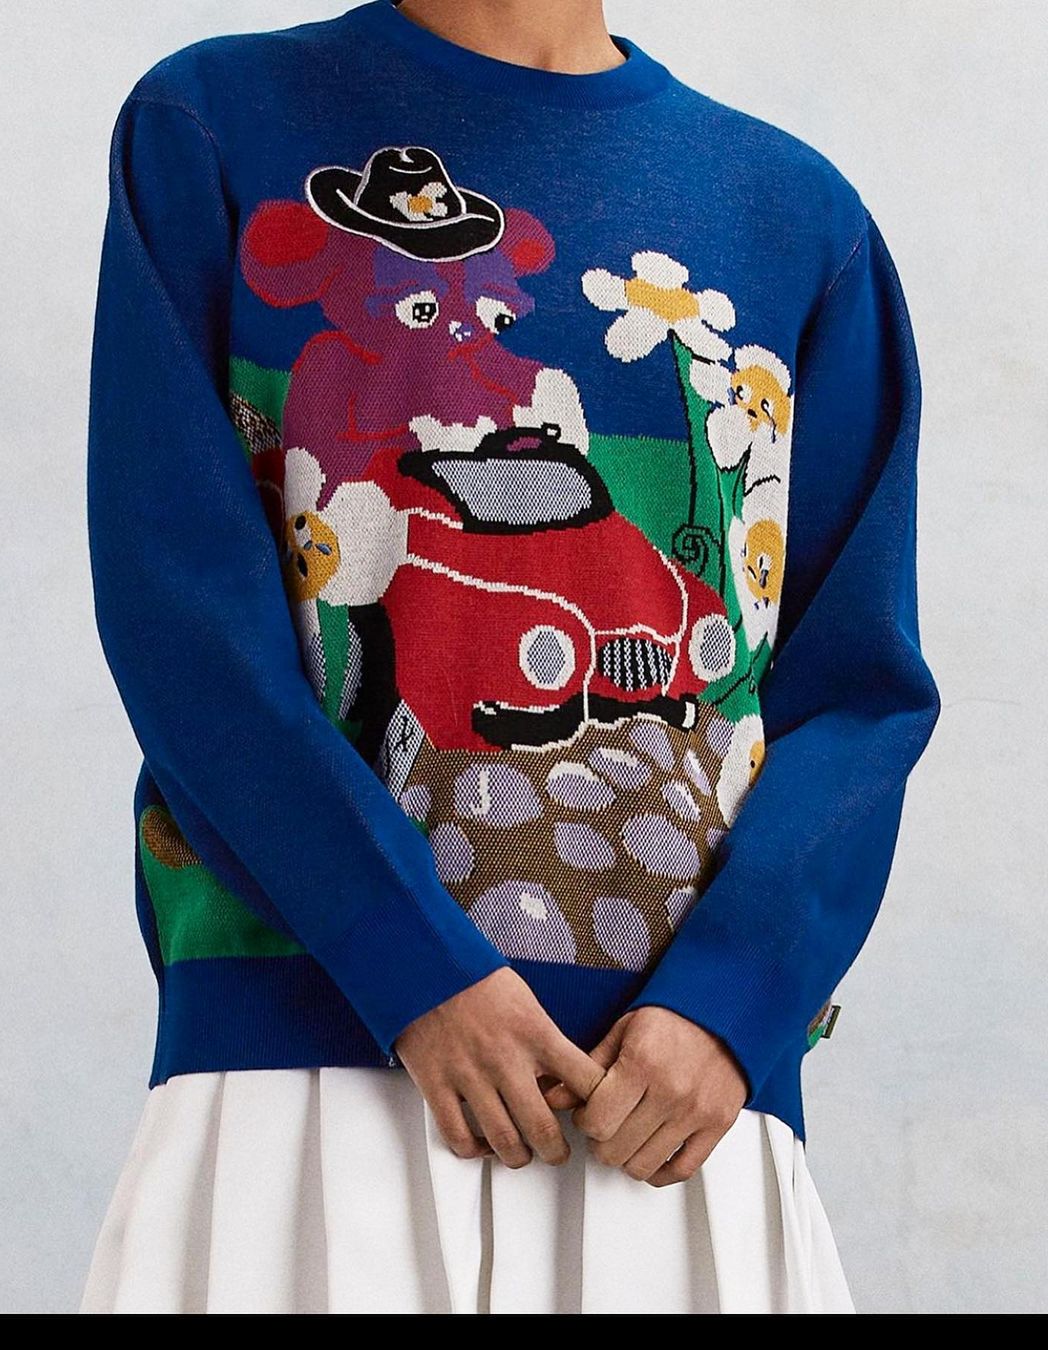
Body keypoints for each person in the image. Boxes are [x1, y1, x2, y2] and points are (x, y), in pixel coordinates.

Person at [80, 0, 939, 1316]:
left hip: (678, 1107)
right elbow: (183, 613)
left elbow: (857, 689)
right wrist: (409, 966)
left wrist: (734, 1002)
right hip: (307, 1078)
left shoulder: (795, 216)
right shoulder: (212, 126)